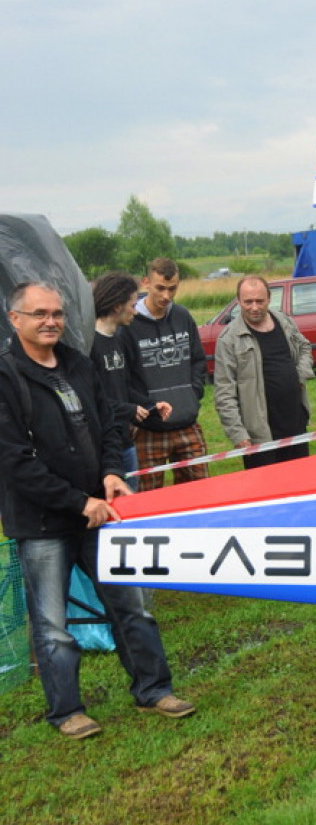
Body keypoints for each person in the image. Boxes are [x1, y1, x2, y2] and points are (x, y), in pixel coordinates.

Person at [0, 281, 194, 739]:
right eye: (39, 314)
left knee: (131, 607)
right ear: (15, 319)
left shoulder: (77, 363)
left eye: (57, 313)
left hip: (100, 512)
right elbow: (13, 461)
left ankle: (154, 690)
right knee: (53, 625)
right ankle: (67, 711)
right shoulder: (6, 377)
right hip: (44, 523)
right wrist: (77, 501)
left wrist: (110, 472)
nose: (51, 321)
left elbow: (109, 424)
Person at [124, 257, 208, 491]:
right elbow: (123, 376)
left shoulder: (183, 316)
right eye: (160, 288)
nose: (166, 296)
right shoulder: (129, 323)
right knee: (148, 499)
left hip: (186, 422)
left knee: (200, 494)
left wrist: (193, 394)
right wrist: (145, 406)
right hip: (148, 429)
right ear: (146, 282)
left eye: (172, 289)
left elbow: (198, 360)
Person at [214, 275, 315, 468]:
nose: (254, 307)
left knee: (301, 481)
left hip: (295, 423)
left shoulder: (284, 322)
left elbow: (304, 347)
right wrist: (238, 434)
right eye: (248, 302)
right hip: (259, 435)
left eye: (259, 301)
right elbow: (224, 393)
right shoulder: (229, 339)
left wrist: (300, 374)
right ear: (238, 301)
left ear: (269, 299)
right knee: (268, 486)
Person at [90, 272, 172, 491]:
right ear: (118, 306)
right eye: (133, 305)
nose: (136, 312)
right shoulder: (89, 346)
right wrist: (128, 410)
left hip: (126, 443)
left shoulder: (118, 340)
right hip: (102, 449)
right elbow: (91, 400)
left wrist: (151, 405)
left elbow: (123, 388)